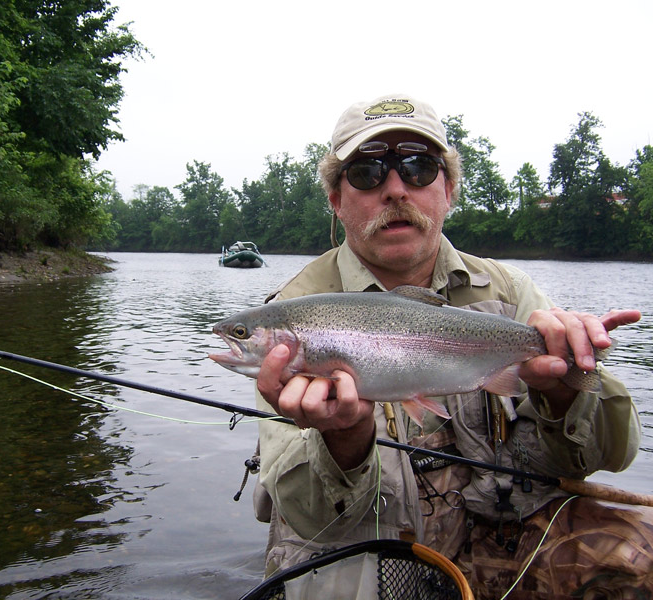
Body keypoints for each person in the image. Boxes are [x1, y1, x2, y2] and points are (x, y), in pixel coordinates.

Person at [251, 94, 653, 598]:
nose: (395, 189)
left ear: (449, 190)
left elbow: (610, 457)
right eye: (368, 174)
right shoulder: (296, 312)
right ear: (336, 198)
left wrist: (567, 389)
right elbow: (312, 521)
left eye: (419, 169)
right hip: (362, 551)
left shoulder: (509, 295)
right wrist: (344, 439)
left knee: (639, 556)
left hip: (497, 536)